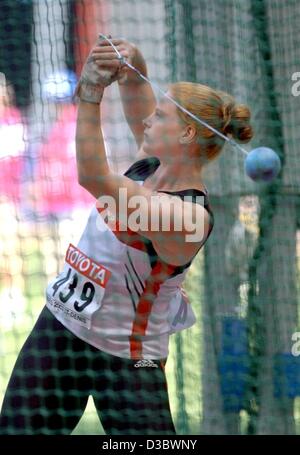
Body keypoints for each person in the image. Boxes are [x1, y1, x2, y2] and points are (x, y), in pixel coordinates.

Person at [0, 36, 253, 435]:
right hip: (62, 328)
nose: (150, 119)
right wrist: (133, 61)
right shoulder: (150, 164)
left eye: (163, 115)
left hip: (126, 357)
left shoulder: (187, 215)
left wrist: (89, 93)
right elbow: (136, 91)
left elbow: (93, 176)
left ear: (187, 134)